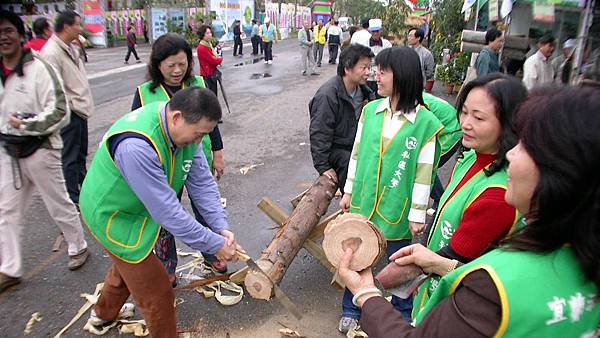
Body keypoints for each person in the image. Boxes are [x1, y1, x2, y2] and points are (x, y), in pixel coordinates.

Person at [337, 85, 600, 337]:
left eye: (525, 146)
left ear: (561, 171)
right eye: (464, 112)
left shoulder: (494, 283)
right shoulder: (583, 260)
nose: (511, 155)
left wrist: (366, 293)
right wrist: (444, 264)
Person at [81, 87, 244, 337]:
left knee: (129, 267)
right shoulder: (136, 146)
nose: (199, 142)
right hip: (112, 215)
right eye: (198, 134)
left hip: (140, 207)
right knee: (157, 294)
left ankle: (102, 315)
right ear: (177, 117)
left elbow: (202, 183)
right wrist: (214, 244)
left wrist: (220, 227)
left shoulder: (186, 131)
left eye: (205, 135)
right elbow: (168, 213)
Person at [337, 47, 443, 332]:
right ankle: (351, 308)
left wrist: (418, 212)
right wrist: (348, 191)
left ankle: (402, 314)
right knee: (358, 257)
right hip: (364, 199)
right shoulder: (371, 111)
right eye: (375, 70)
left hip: (398, 205)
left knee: (401, 263)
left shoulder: (425, 123)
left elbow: (424, 172)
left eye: (382, 71)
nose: (376, 76)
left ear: (403, 76)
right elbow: (356, 154)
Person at [413, 73, 527, 318]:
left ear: (509, 124)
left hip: (456, 307)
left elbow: (457, 259)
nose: (465, 123)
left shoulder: (498, 194)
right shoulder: (472, 157)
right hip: (432, 286)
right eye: (464, 112)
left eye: (478, 117)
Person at [0, 10, 89, 294]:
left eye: (8, 30)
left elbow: (60, 111)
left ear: (20, 34)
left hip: (41, 148)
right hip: (8, 151)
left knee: (59, 203)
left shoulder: (39, 67)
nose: (3, 37)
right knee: (7, 211)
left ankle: (78, 246)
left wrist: (28, 124)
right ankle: (10, 268)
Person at [131, 33, 228, 283]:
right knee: (165, 220)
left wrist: (222, 230)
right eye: (170, 65)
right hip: (160, 169)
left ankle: (212, 251)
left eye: (182, 64)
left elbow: (212, 126)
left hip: (192, 160)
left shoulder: (197, 83)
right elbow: (168, 212)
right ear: (157, 64)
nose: (177, 70)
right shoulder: (144, 94)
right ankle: (166, 266)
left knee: (204, 207)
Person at [41, 10, 94, 206]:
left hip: (80, 110)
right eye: (78, 25)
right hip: (69, 113)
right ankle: (73, 198)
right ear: (66, 27)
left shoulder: (70, 48)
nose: (80, 28)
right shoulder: (52, 52)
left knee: (80, 155)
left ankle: (86, 191)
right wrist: (69, 108)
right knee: (70, 158)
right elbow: (54, 87)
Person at [309, 44, 375, 194]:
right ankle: (351, 208)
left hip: (354, 143)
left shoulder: (363, 91)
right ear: (347, 68)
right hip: (337, 149)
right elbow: (319, 132)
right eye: (363, 68)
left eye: (369, 68)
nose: (368, 72)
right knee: (349, 165)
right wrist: (323, 166)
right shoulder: (327, 95)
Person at [422, 92, 462, 212]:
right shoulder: (418, 96)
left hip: (451, 132)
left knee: (426, 167)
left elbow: (423, 128)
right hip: (447, 128)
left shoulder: (419, 103)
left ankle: (439, 199)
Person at [365, 19, 392, 95]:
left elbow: (389, 60)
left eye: (377, 31)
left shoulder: (387, 44)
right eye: (373, 31)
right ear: (370, 32)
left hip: (383, 77)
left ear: (381, 31)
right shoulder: (364, 44)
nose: (375, 33)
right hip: (369, 77)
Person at [196, 25, 224, 95]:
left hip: (211, 74)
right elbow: (213, 61)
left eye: (210, 33)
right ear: (203, 35)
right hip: (207, 76)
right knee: (211, 97)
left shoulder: (208, 45)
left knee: (213, 95)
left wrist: (218, 58)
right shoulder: (202, 47)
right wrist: (220, 59)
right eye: (207, 33)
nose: (210, 35)